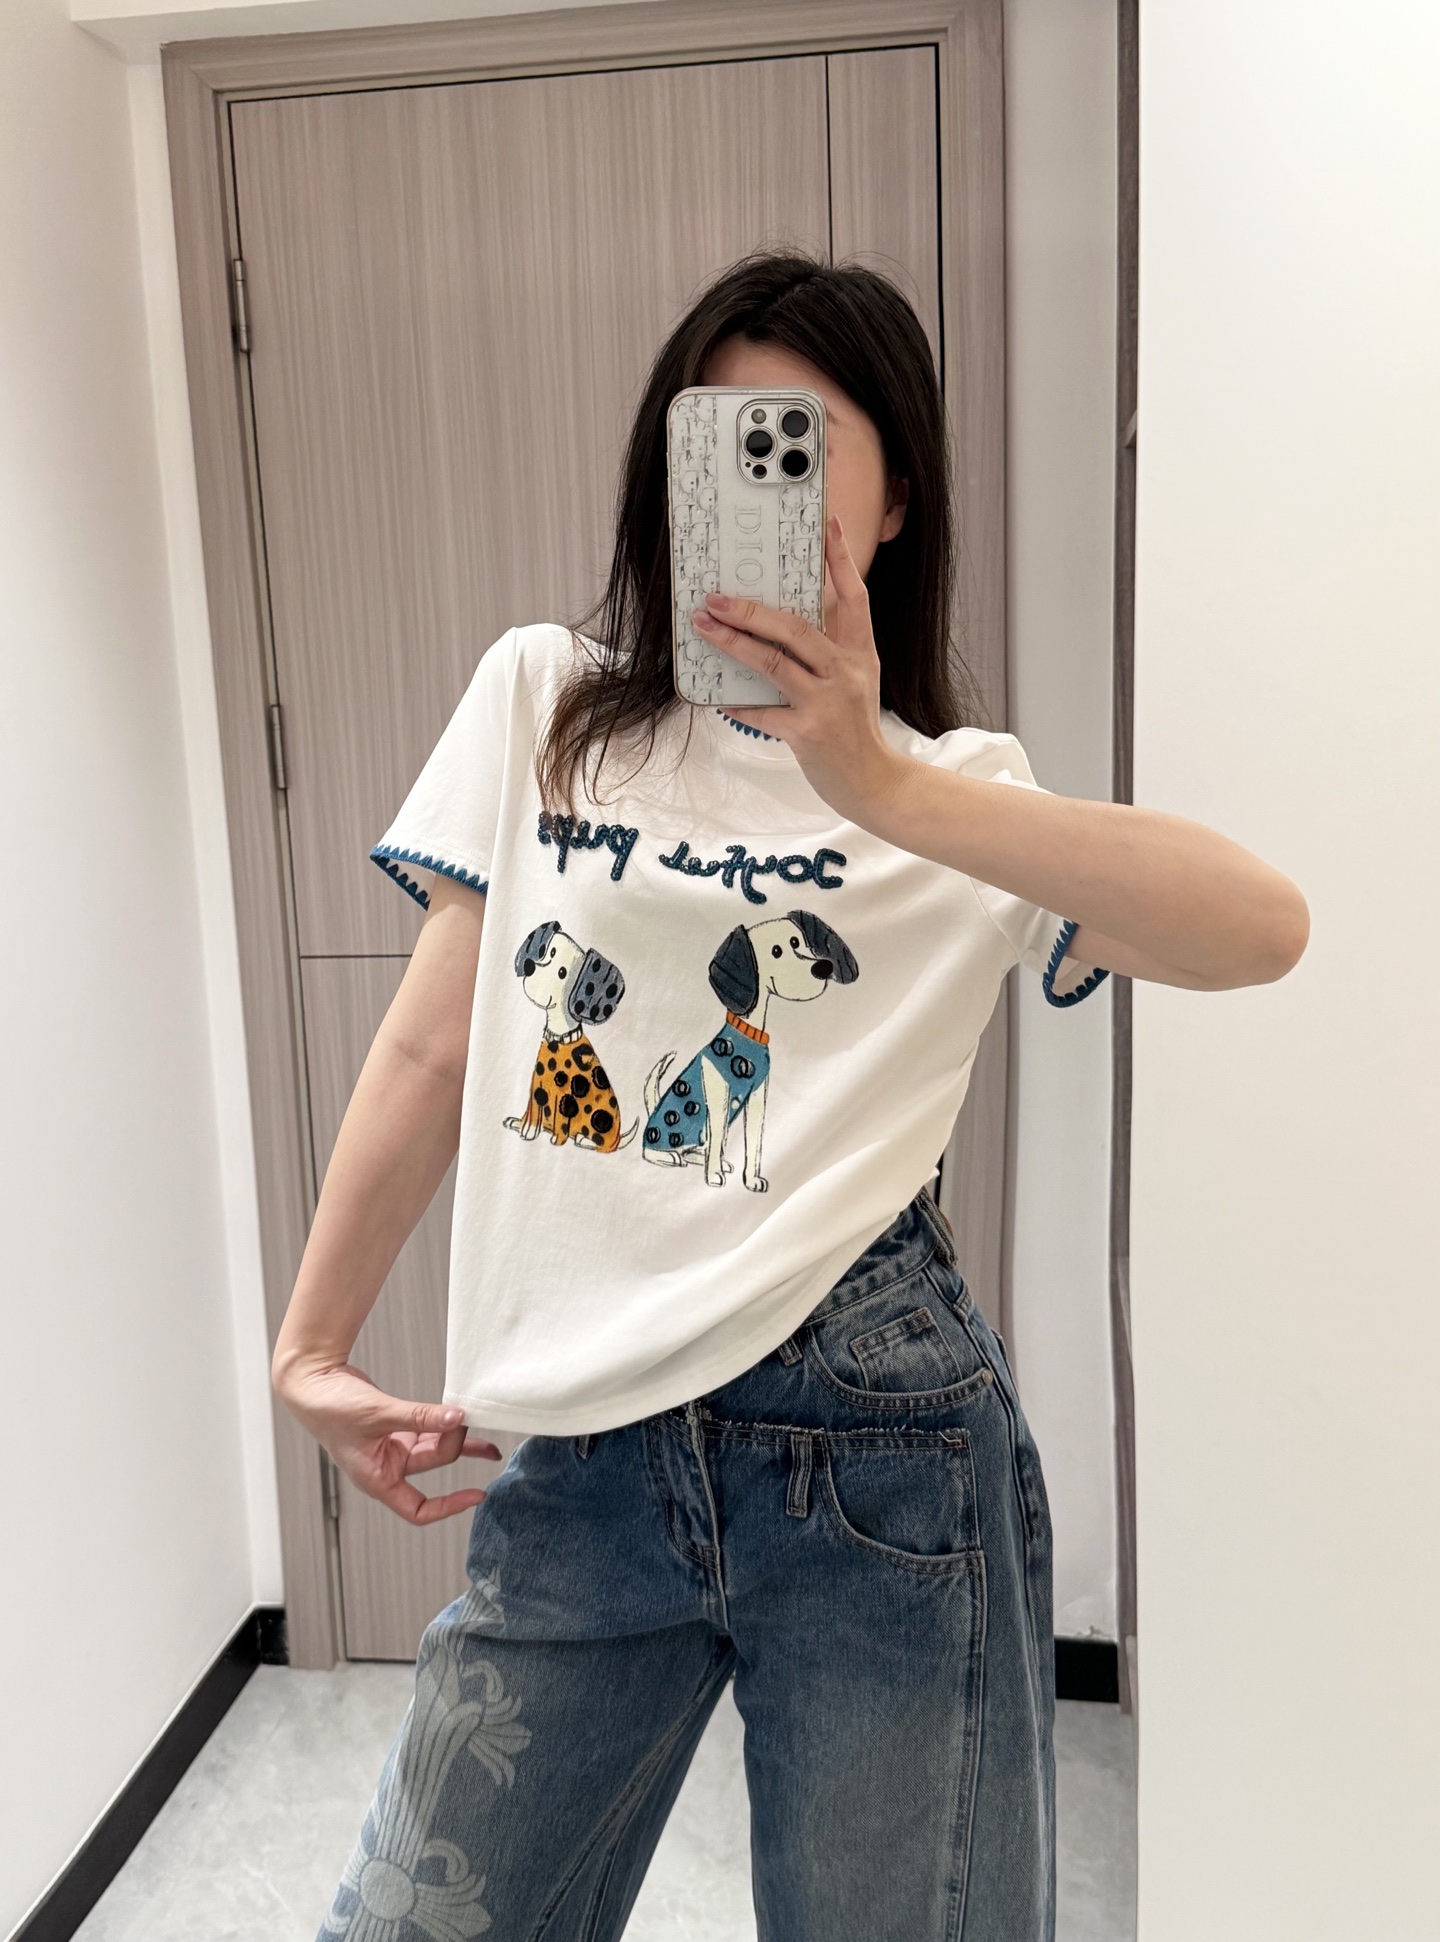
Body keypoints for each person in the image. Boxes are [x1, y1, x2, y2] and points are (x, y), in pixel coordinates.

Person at [274, 252, 1308, 1941]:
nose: (763, 480)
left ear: (896, 500)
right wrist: (311, 1341)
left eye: (808, 443)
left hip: (879, 1447)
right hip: (587, 1455)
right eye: (727, 436)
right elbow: (430, 1047)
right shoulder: (546, 703)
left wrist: (882, 779)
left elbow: (1261, 928)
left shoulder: (956, 791)